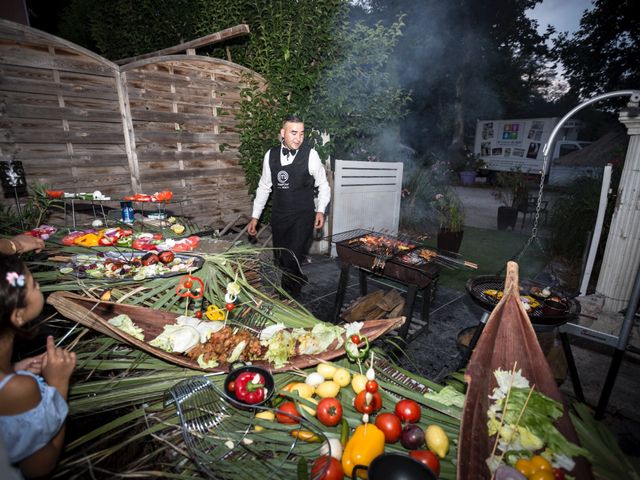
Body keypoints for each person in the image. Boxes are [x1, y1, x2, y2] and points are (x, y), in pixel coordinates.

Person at [0, 253, 76, 478]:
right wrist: (58, 384)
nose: (39, 284)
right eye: (33, 284)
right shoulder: (17, 390)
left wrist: (13, 370)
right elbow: (40, 466)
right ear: (17, 315)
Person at [247, 114, 330, 296]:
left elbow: (323, 185)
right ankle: (298, 277)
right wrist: (255, 216)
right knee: (282, 259)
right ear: (282, 133)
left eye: (301, 133)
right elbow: (264, 187)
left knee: (291, 255)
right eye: (293, 133)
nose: (298, 138)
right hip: (280, 216)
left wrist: (320, 211)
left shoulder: (311, 155)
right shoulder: (271, 155)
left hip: (303, 216)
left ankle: (289, 300)